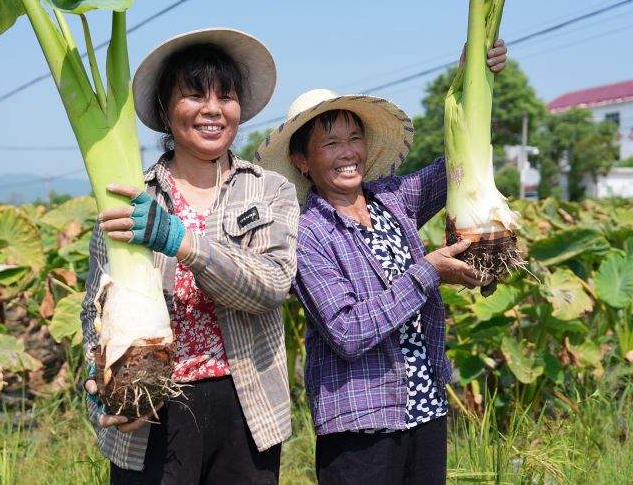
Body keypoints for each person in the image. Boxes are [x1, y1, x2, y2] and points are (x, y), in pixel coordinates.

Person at [254, 43, 507, 484]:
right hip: (361, 424)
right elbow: (349, 332)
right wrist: (429, 271)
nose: (347, 152)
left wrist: (475, 81)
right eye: (330, 143)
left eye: (354, 139)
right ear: (302, 161)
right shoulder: (308, 234)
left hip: (425, 406)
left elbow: (457, 163)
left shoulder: (393, 199)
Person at [80, 28, 300, 484]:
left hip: (247, 405)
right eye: (195, 94)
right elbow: (94, 310)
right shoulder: (132, 197)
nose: (213, 109)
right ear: (164, 109)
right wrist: (105, 393)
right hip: (153, 405)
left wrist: (182, 242)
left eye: (226, 95)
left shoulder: (268, 189)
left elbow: (273, 285)